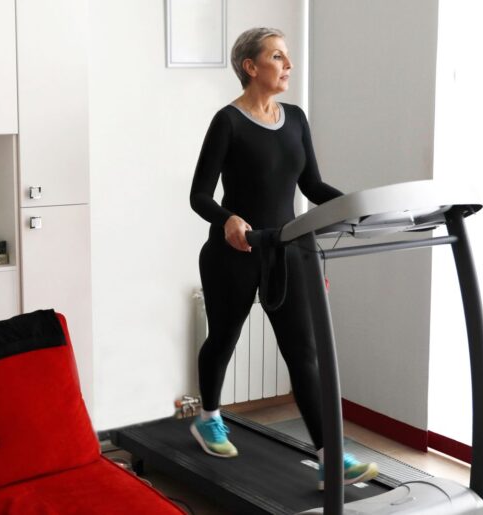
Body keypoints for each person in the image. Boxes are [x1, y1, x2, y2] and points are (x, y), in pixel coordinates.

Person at [189, 27, 378, 490]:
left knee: (304, 355)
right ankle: (208, 417)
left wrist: (357, 206)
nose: (288, 65)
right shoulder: (227, 122)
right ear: (251, 67)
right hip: (236, 252)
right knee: (224, 339)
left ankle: (329, 458)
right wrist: (229, 218)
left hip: (290, 250)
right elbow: (199, 196)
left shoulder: (295, 118)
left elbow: (312, 186)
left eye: (288, 57)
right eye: (278, 57)